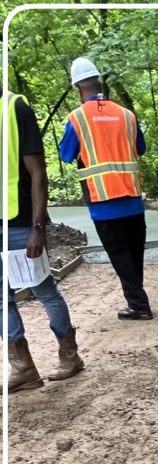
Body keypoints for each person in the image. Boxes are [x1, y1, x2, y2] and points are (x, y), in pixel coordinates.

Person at [2, 90, 84, 392]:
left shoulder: (14, 107)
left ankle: (69, 355)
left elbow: (38, 173)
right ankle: (23, 369)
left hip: (20, 221)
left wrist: (38, 226)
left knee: (43, 290)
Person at [60, 57, 152, 320]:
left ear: (77, 87)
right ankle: (137, 301)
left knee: (120, 254)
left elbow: (67, 154)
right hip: (132, 198)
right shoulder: (127, 115)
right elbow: (141, 149)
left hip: (103, 202)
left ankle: (139, 304)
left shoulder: (77, 118)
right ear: (99, 81)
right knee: (134, 253)